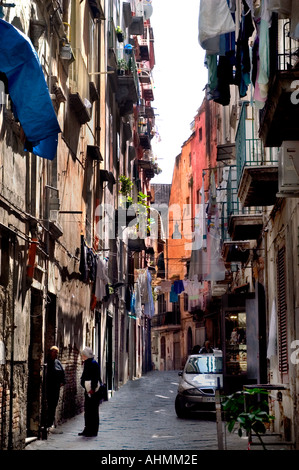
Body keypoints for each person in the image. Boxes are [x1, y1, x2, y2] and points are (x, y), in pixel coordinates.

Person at [79, 346, 101, 437]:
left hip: (93, 392)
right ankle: (87, 429)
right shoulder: (88, 363)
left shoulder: (93, 364)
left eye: (83, 355)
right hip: (88, 391)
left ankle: (93, 431)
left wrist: (92, 389)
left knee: (93, 411)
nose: (82, 356)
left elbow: (95, 378)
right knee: (88, 411)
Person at [46, 346, 65, 430]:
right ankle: (49, 422)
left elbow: (62, 373)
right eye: (54, 352)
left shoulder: (58, 362)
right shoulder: (47, 362)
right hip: (49, 386)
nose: (56, 354)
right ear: (50, 352)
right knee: (49, 404)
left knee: (54, 404)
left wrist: (62, 382)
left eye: (56, 352)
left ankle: (51, 421)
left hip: (56, 387)